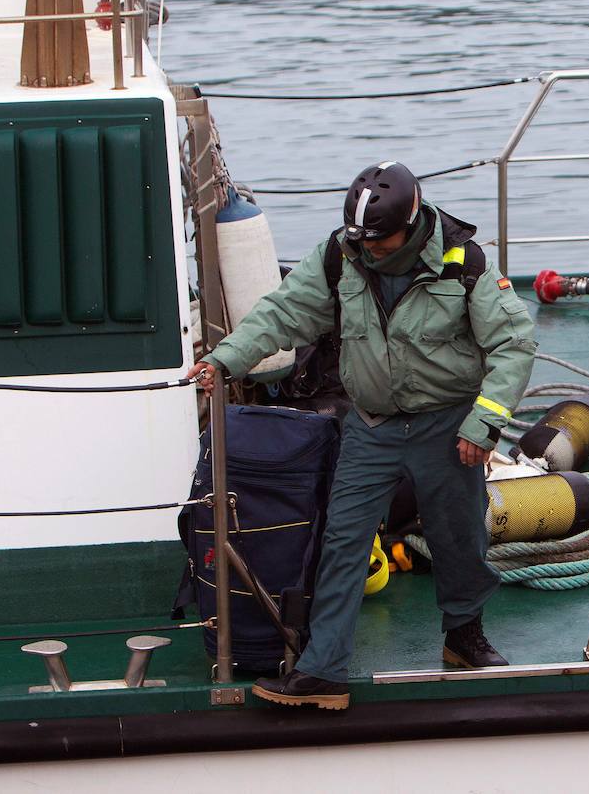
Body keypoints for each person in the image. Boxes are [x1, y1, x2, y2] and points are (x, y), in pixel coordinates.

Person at [189, 160, 536, 709]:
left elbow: (513, 343)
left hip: (448, 425)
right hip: (371, 425)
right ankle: (323, 668)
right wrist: (226, 359)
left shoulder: (463, 263)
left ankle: (464, 635)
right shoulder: (341, 254)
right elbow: (284, 311)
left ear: (413, 217)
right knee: (343, 540)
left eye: (382, 239)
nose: (372, 249)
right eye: (363, 239)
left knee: (457, 537)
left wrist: (485, 422)